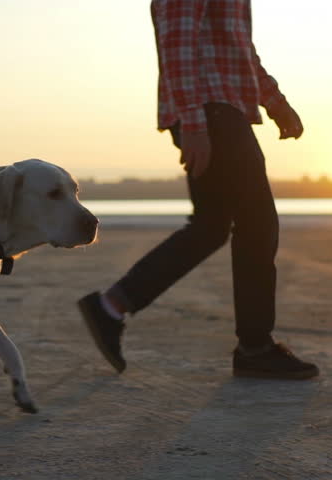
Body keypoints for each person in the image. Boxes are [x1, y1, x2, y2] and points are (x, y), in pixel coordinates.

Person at [78, 0, 319, 379]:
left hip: (220, 109)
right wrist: (193, 122)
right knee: (257, 224)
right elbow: (177, 41)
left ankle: (110, 307)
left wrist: (275, 102)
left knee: (210, 227)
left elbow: (238, 48)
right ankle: (255, 347)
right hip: (211, 111)